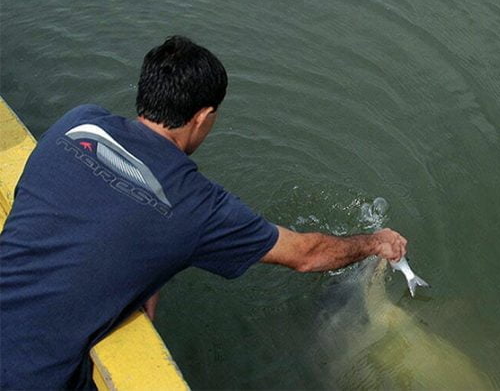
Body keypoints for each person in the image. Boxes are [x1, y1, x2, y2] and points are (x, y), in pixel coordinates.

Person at [0, 36, 407, 389]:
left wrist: (147, 270)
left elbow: (58, 200)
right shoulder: (194, 204)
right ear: (203, 118)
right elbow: (307, 254)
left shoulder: (79, 123)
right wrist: (376, 242)